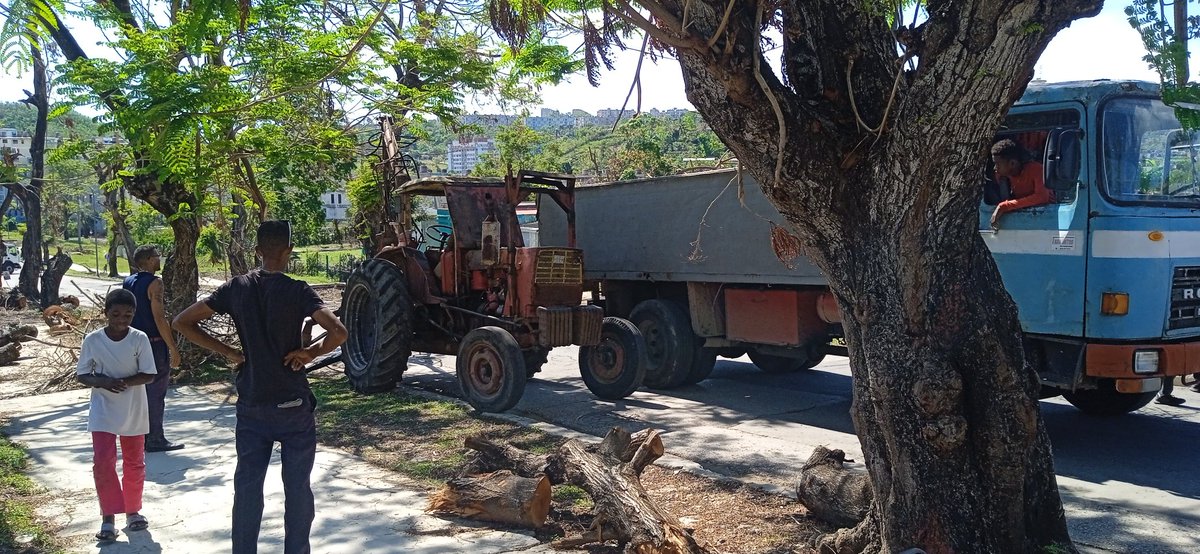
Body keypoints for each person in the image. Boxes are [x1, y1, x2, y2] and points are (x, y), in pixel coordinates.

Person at [173, 220, 346, 554]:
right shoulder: (298, 290)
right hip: (293, 406)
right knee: (297, 490)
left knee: (248, 489)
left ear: (257, 251)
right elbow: (337, 331)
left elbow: (182, 321)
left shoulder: (235, 288)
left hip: (252, 402)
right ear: (289, 252)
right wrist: (308, 353)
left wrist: (230, 352)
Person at [76, 289, 158, 541]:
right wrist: (102, 382)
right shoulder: (93, 340)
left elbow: (149, 374)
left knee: (134, 462)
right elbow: (82, 375)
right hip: (103, 410)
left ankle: (133, 511)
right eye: (116, 314)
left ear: (134, 314)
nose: (122, 319)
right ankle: (108, 517)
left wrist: (123, 381)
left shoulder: (139, 338)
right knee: (103, 462)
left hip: (134, 408)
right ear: (106, 313)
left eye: (128, 315)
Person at [122, 245, 184, 453]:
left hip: (132, 343)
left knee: (137, 392)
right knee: (156, 393)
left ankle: (137, 438)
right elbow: (159, 316)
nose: (160, 260)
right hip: (153, 343)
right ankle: (155, 438)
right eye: (157, 257)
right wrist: (172, 347)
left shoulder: (128, 281)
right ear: (149, 260)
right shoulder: (155, 283)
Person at [989, 139, 1052, 229]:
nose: (995, 168)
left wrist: (1005, 206)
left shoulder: (1037, 170)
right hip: (1022, 219)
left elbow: (1042, 197)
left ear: (1012, 163)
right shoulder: (1002, 176)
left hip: (1045, 217)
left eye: (997, 164)